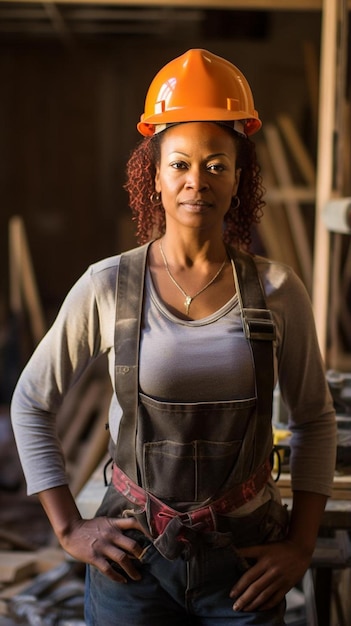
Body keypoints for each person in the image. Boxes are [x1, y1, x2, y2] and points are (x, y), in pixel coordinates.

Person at [11, 49, 336, 625]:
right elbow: (31, 401)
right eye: (180, 164)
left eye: (216, 165)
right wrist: (68, 528)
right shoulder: (107, 285)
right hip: (133, 563)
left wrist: (301, 547)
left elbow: (315, 419)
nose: (197, 181)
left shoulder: (278, 290)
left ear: (240, 179)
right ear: (153, 176)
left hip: (245, 566)